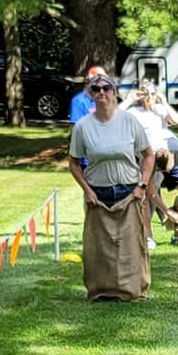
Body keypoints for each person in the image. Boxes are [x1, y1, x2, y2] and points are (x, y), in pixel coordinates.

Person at [68, 74, 156, 300]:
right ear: (91, 94)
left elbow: (148, 155)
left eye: (106, 88)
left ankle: (133, 289)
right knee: (99, 248)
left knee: (130, 245)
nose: (102, 93)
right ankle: (101, 290)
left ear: (114, 91)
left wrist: (142, 185)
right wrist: (87, 191)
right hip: (99, 192)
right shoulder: (82, 127)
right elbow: (74, 163)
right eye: (96, 89)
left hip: (129, 190)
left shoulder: (129, 121)